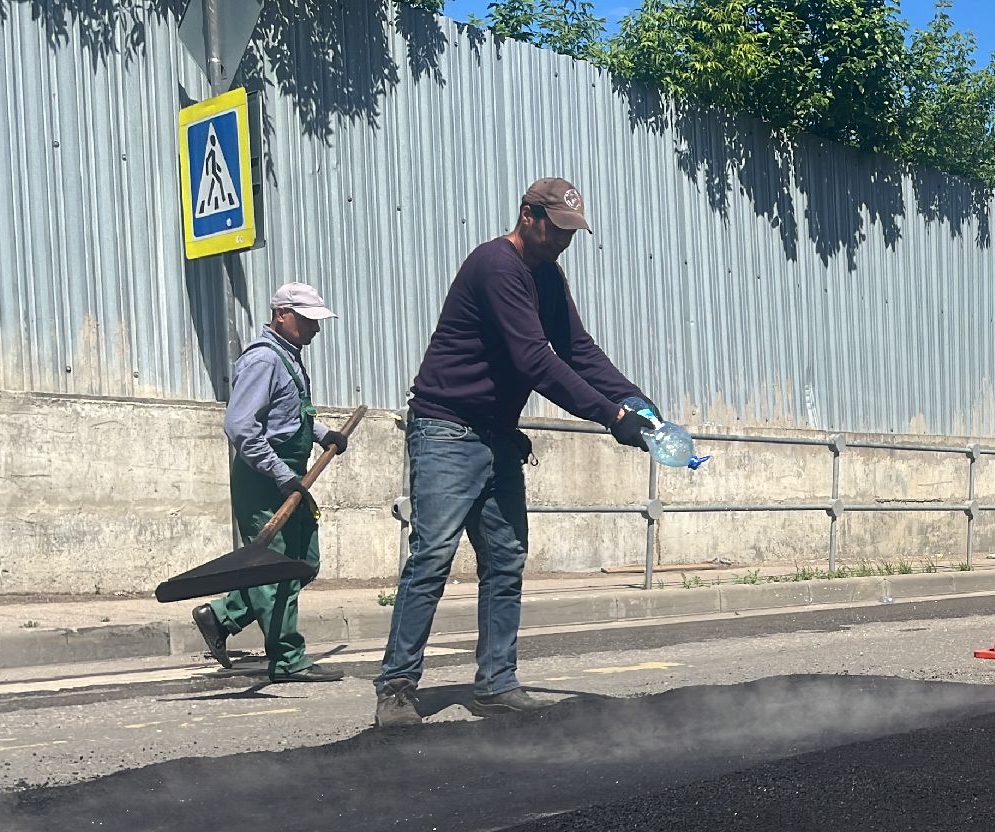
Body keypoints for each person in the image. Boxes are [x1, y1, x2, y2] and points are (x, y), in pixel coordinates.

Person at [373, 178, 660, 728]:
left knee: (504, 560)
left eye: (572, 233)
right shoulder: (496, 266)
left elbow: (577, 349)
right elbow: (535, 360)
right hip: (446, 429)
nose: (563, 243)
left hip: (497, 435)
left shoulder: (546, 275)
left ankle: (496, 683)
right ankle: (396, 685)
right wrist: (610, 416)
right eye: (556, 229)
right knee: (432, 556)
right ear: (528, 216)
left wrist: (635, 400)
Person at [189, 282, 348, 683]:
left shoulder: (288, 358)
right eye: (308, 320)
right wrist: (281, 476)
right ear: (282, 315)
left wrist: (323, 434)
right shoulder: (263, 361)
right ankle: (288, 658)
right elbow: (240, 426)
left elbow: (291, 415)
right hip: (264, 480)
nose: (315, 329)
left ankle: (221, 616)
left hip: (290, 477)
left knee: (304, 563)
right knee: (272, 571)